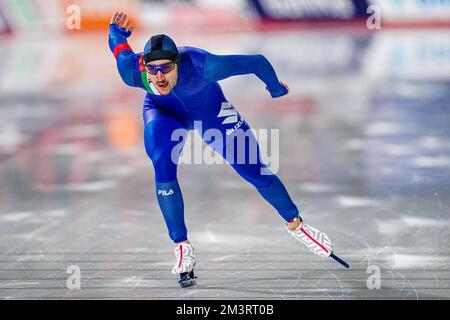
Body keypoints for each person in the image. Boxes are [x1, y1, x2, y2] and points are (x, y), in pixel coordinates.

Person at [108, 12, 331, 287]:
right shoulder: (133, 72)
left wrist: (275, 89)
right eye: (153, 70)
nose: (159, 76)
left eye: (166, 68)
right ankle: (182, 247)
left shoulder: (203, 66)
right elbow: (117, 44)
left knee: (255, 171)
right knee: (162, 162)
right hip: (163, 113)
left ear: (178, 63)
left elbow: (257, 62)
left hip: (210, 111)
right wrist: (116, 30)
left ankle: (297, 225)